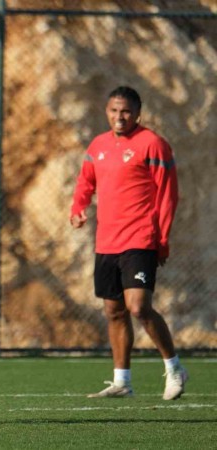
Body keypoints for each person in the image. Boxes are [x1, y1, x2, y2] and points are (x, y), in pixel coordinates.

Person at [70, 86, 187, 400]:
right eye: (114, 110)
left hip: (140, 238)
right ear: (106, 111)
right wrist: (78, 207)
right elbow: (86, 181)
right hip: (106, 241)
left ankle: (174, 367)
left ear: (137, 113)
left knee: (139, 307)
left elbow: (168, 195)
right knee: (114, 311)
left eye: (125, 111)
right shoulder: (98, 145)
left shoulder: (153, 144)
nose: (119, 117)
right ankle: (122, 381)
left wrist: (162, 239)